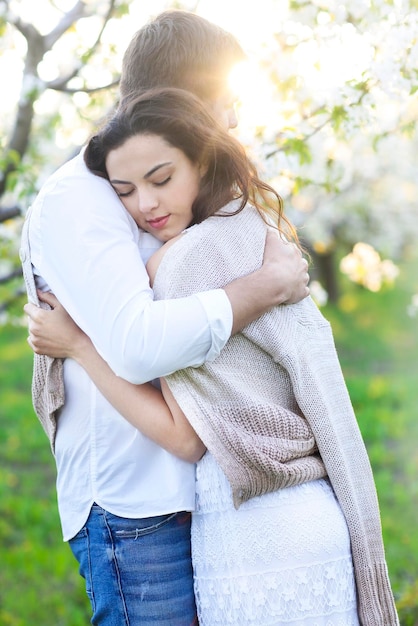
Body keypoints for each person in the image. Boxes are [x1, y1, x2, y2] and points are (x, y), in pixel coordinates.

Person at [26, 88, 399, 626]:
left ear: (201, 158)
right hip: (308, 513)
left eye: (161, 179)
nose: (147, 205)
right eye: (125, 191)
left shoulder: (179, 266)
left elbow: (180, 428)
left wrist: (80, 345)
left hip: (256, 533)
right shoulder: (255, 231)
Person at [20, 10, 310, 626]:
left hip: (198, 491)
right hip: (134, 507)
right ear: (183, 99)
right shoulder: (81, 198)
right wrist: (261, 288)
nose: (234, 117)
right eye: (224, 100)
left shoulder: (165, 186)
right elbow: (136, 345)